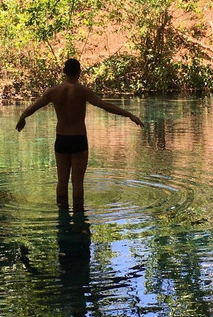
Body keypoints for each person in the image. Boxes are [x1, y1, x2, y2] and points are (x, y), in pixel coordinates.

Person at [16, 58, 143, 209]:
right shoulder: (83, 91)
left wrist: (22, 117)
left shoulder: (54, 91)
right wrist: (130, 115)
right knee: (78, 182)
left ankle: (62, 215)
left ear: (64, 72)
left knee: (61, 181)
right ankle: (79, 216)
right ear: (79, 72)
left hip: (61, 139)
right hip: (79, 140)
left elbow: (34, 106)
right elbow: (105, 105)